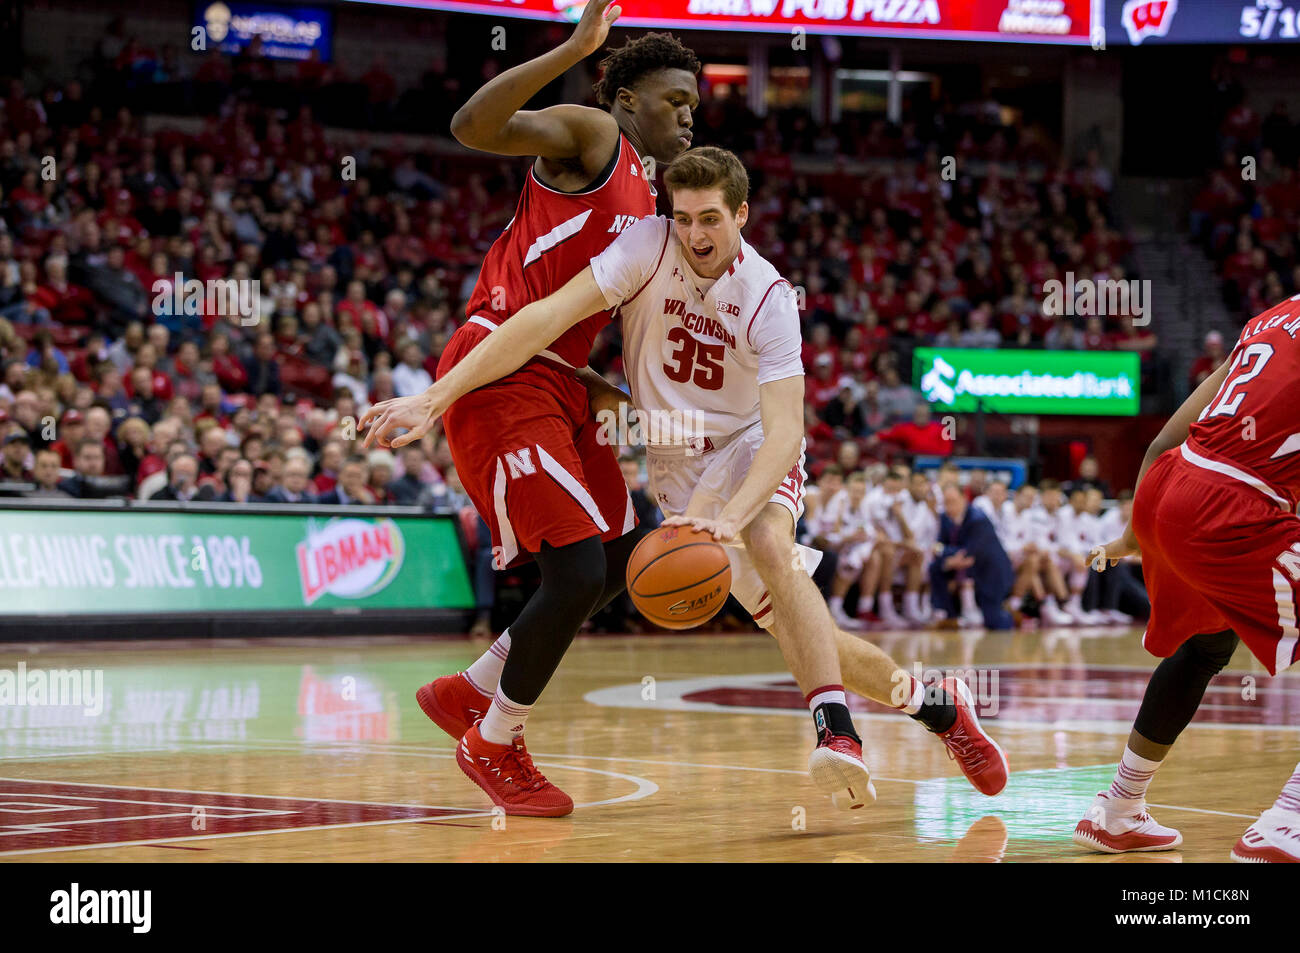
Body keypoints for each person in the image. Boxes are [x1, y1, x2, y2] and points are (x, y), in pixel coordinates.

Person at [368, 146, 1009, 812]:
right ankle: (939, 707)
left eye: (711, 219)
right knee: (795, 628)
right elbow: (543, 318)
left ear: (741, 214)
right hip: (678, 470)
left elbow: (786, 428)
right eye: (684, 218)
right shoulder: (647, 245)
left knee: (768, 543)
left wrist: (733, 516)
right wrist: (434, 396)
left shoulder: (770, 296)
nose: (696, 234)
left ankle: (836, 731)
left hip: (752, 446)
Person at [362, 7, 701, 817]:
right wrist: (575, 50)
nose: (688, 114)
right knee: (576, 569)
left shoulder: (659, 208)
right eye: (674, 99)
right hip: (498, 372)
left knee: (623, 558)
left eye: (696, 104)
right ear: (625, 100)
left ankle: (470, 691)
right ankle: (495, 741)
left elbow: (589, 329)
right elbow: (471, 125)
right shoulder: (591, 135)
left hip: (561, 381)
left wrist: (644, 406)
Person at [1077, 295, 1300, 862]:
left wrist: (1134, 533)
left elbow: (1161, 440)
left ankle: (1118, 808)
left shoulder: (1274, 315)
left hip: (1168, 484)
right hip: (1232, 508)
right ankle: (1287, 822)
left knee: (1205, 647)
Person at [931, 485, 1014, 629]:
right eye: (946, 502)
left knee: (993, 620)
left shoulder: (978, 518)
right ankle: (947, 614)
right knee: (935, 568)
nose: (949, 506)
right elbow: (939, 544)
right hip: (967, 567)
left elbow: (968, 553)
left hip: (991, 572)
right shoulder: (945, 517)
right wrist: (949, 559)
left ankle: (1010, 620)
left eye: (952, 501)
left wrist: (945, 553)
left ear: (964, 499)